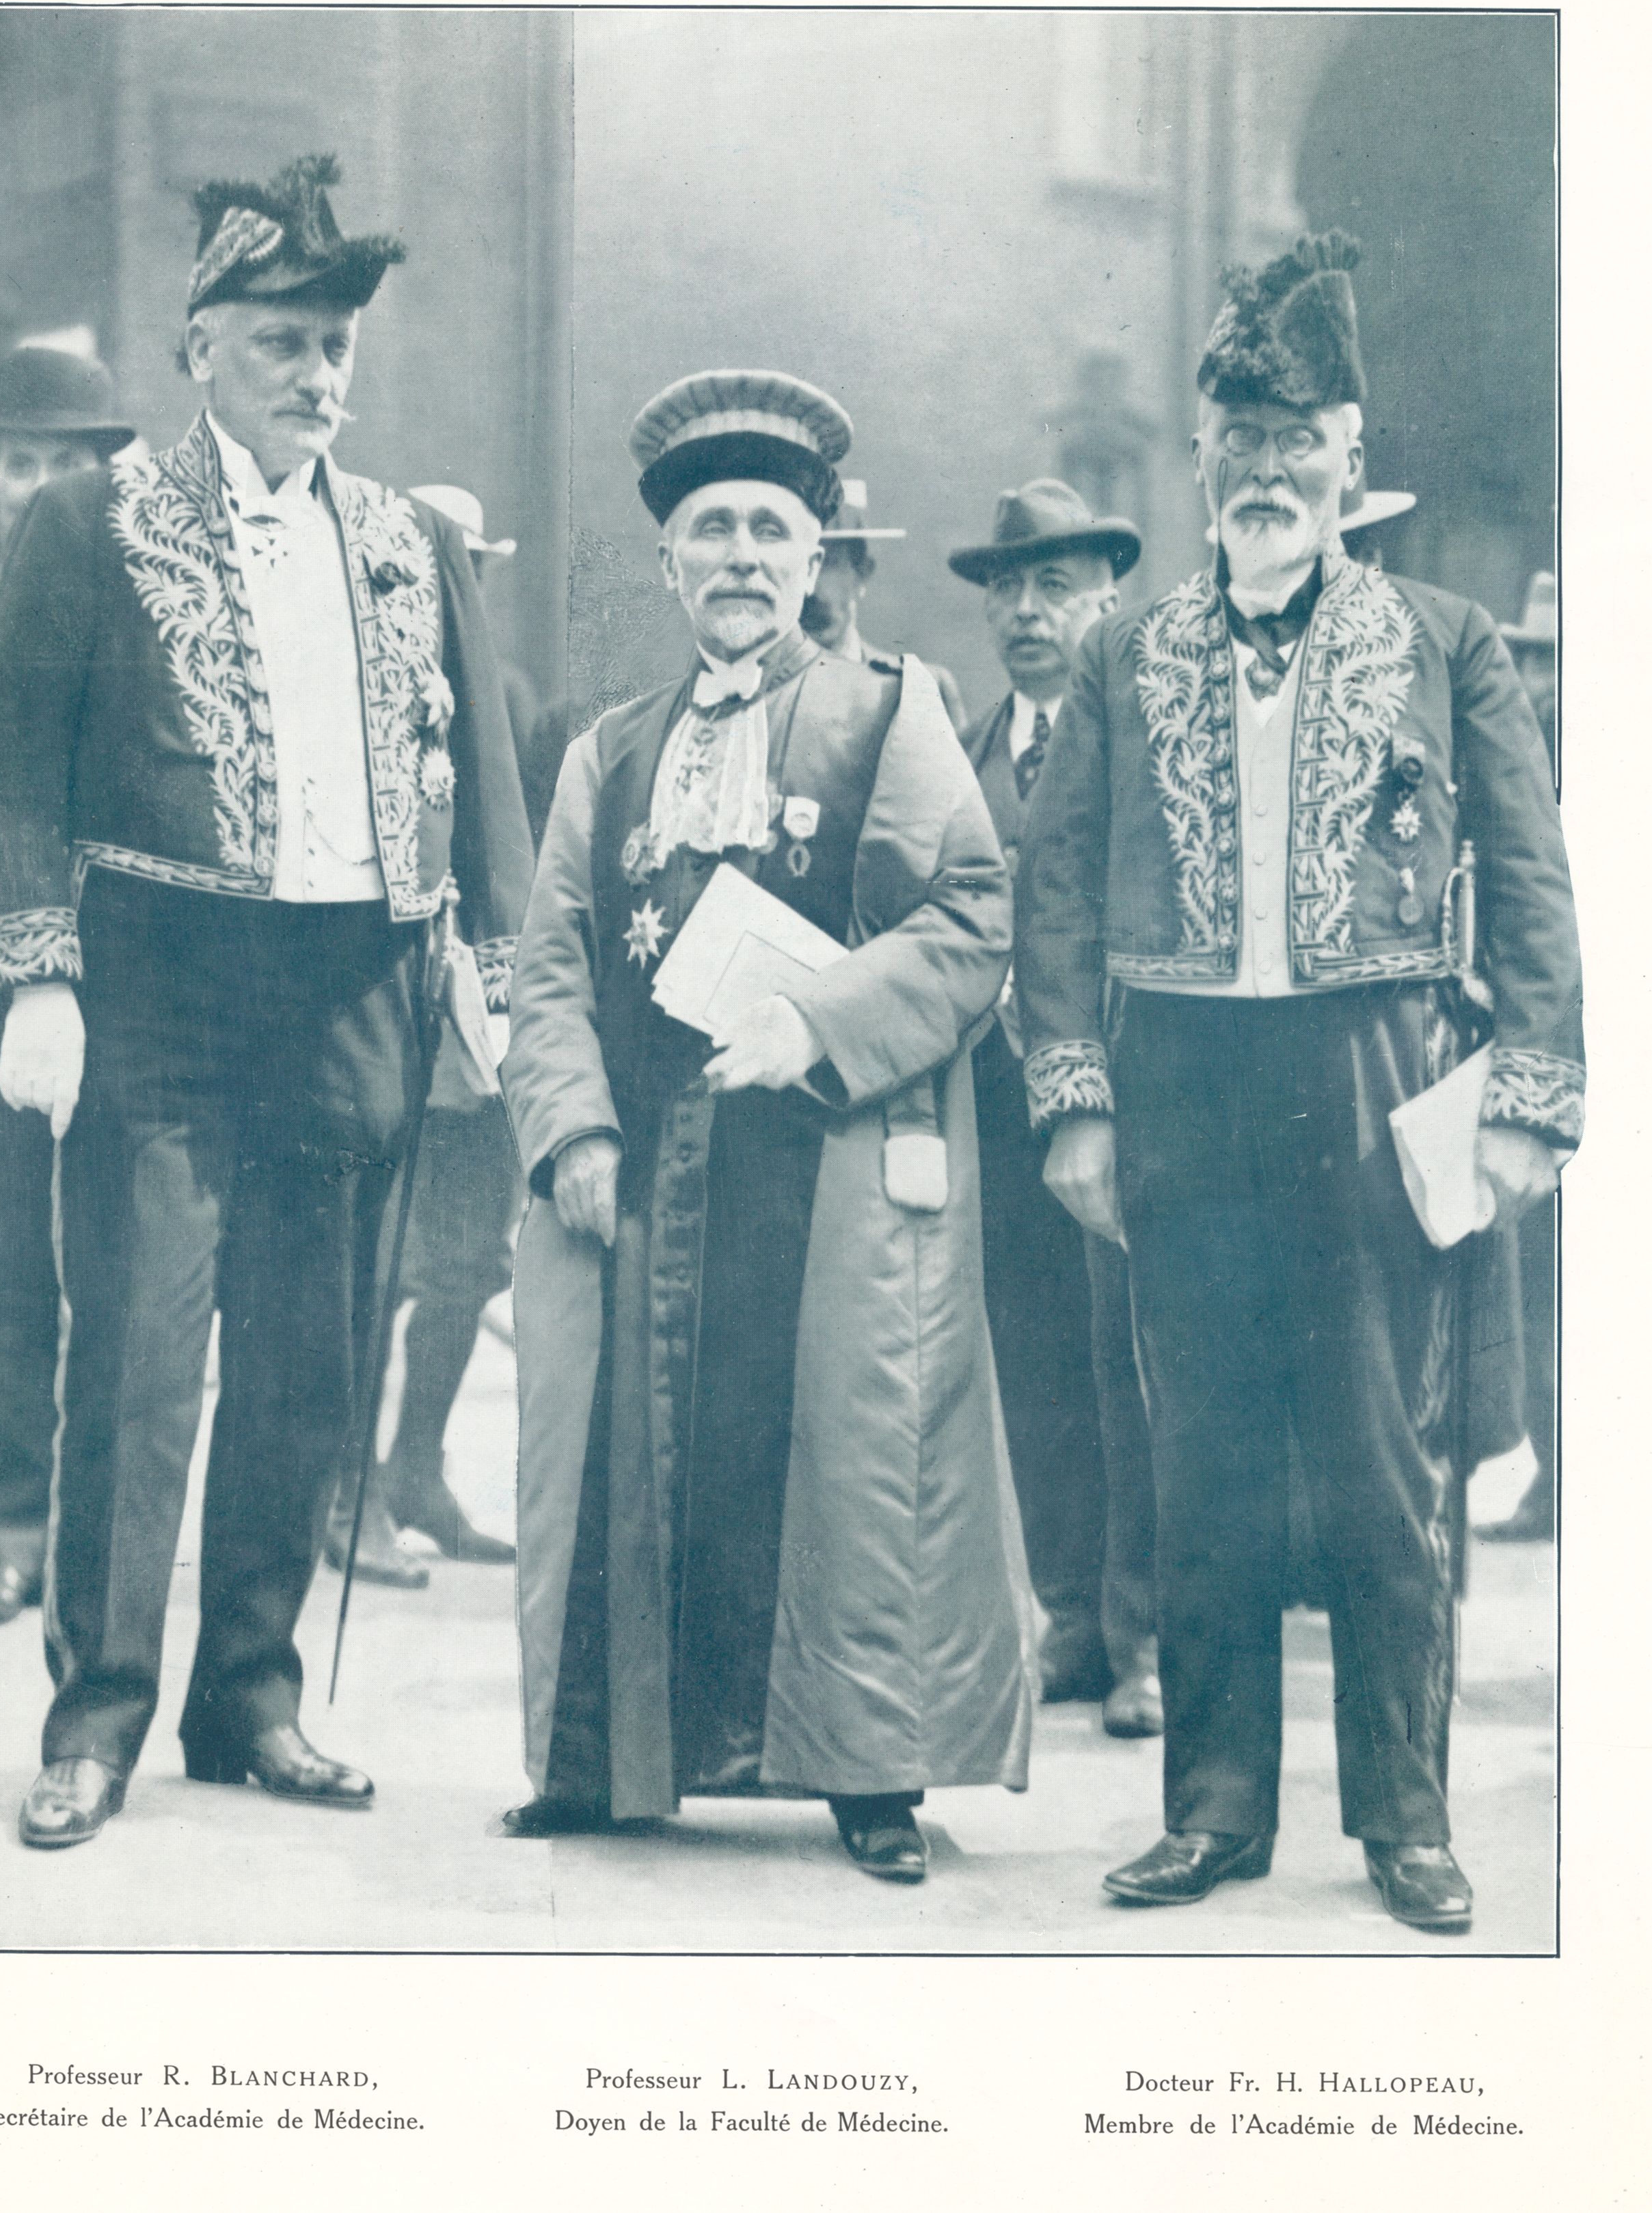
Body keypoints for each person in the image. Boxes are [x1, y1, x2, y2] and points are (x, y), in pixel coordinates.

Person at [1016, 232, 1582, 1933]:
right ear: (1201, 460)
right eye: (1239, 444)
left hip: (1371, 1073)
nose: (1266, 472)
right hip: (1179, 1078)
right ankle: (1211, 1810)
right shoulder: (1122, 654)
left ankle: (1405, 1819)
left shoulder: (1444, 640)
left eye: (1297, 442)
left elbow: (1529, 875)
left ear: (1349, 454)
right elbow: (1055, 888)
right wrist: (1073, 1096)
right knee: (1198, 1457)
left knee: (1383, 1458)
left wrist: (1527, 1094)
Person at [0, 156, 534, 1849]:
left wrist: (501, 975)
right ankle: (96, 1715)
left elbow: (484, 778)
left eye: (335, 343)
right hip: (156, 993)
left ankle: (252, 1699)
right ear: (200, 344)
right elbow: (12, 763)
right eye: (282, 339)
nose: (316, 373)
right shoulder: (91, 520)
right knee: (140, 1360)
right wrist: (38, 972)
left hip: (351, 990)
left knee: (304, 1363)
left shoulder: (410, 539)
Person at [500, 368, 1031, 1884]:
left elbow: (971, 912)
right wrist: (572, 1128)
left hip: (823, 1153)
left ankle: (866, 1773)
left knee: (850, 1459)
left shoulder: (887, 712)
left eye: (770, 530)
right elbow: (551, 957)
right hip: (647, 1163)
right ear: (669, 560)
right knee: (619, 1459)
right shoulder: (609, 749)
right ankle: (608, 1761)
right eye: (712, 529)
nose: (740, 555)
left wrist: (817, 1021)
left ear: (815, 557)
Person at [950, 479, 1162, 1736]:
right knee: (1030, 1360)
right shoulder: (959, 750)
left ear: (1109, 602)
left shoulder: (1150, 736)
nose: (1027, 613)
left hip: (1120, 1094)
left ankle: (1146, 1637)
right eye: (1008, 591)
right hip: (994, 1100)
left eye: (1056, 589)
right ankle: (1071, 1616)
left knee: (1128, 1364)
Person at [0, 346, 137, 1624]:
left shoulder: (145, 622)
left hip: (125, 975)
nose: (36, 489)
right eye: (18, 464)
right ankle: (10, 1526)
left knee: (126, 1260)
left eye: (66, 464)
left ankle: (110, 1534)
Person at [325, 483, 530, 1584]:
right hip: (381, 1010)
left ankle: (418, 1471)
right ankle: (346, 1493)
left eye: (474, 574)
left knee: (469, 1259)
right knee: (371, 1264)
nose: (458, 596)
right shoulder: (344, 690)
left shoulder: (506, 700)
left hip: (479, 1029)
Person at [1475, 568, 1560, 1543]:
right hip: (1539, 1041)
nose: (1539, 681)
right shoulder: (1517, 755)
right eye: (1530, 660)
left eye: (1554, 662)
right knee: (1536, 1269)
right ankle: (1553, 1467)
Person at [801, 477, 969, 729]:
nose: (811, 588)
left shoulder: (917, 690)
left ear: (863, 573)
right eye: (801, 564)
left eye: (829, 564)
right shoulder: (753, 690)